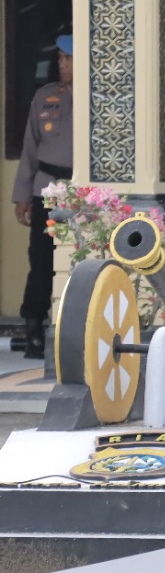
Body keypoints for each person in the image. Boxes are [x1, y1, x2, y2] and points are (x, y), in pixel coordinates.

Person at [10, 35, 72, 359]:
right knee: (41, 260)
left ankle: (72, 328)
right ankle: (33, 326)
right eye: (60, 58)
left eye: (69, 58)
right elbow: (30, 149)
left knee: (82, 259)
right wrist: (23, 195)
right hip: (46, 188)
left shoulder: (100, 98)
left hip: (84, 192)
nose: (62, 64)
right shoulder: (45, 96)